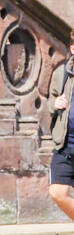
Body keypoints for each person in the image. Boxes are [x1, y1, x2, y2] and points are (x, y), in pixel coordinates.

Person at [48, 35, 74, 223]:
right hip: (65, 145)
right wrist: (54, 103)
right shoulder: (62, 74)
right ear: (72, 48)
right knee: (57, 191)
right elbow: (50, 101)